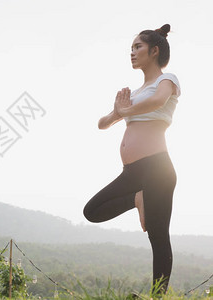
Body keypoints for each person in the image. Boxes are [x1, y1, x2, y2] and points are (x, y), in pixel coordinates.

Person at [83, 24, 181, 294]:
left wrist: (129, 109)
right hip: (132, 172)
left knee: (158, 236)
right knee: (91, 211)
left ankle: (156, 297)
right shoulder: (134, 93)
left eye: (138, 47)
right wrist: (117, 113)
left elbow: (158, 102)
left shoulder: (167, 80)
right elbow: (102, 123)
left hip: (157, 168)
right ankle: (137, 198)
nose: (132, 52)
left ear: (155, 50)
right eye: (131, 48)